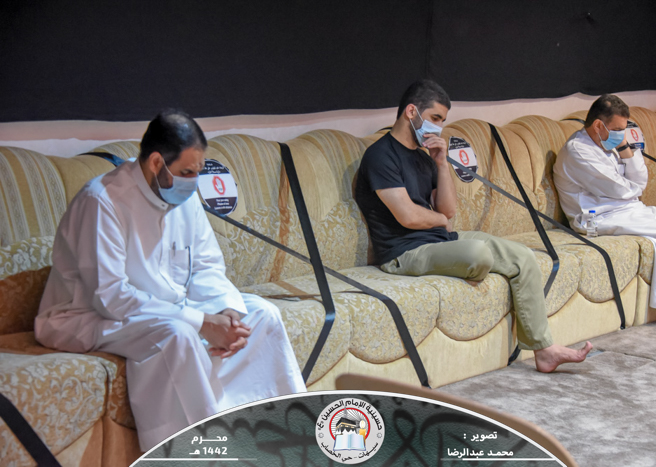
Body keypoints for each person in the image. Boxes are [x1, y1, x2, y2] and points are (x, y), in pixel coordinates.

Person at [35, 110, 306, 451]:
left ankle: (278, 438)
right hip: (88, 315)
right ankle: (204, 452)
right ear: (156, 163)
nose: (193, 181)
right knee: (178, 335)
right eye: (187, 172)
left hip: (166, 307)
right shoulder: (102, 201)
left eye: (198, 171)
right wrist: (202, 322)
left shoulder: (183, 196)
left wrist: (225, 313)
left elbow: (206, 265)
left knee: (262, 315)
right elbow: (111, 296)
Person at [355, 79, 592, 373]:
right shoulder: (380, 155)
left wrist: (441, 164)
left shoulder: (423, 157)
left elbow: (448, 210)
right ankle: (470, 264)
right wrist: (441, 221)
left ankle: (544, 350)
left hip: (438, 240)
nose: (438, 128)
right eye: (434, 118)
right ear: (411, 112)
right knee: (478, 253)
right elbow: (409, 217)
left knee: (523, 256)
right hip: (403, 253)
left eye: (442, 121)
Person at [554, 94, 656, 314]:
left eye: (623, 129)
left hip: (630, 209)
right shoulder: (578, 151)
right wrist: (633, 187)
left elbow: (639, 181)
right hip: (598, 219)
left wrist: (624, 148)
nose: (621, 135)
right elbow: (622, 190)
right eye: (617, 129)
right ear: (598, 125)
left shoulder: (610, 142)